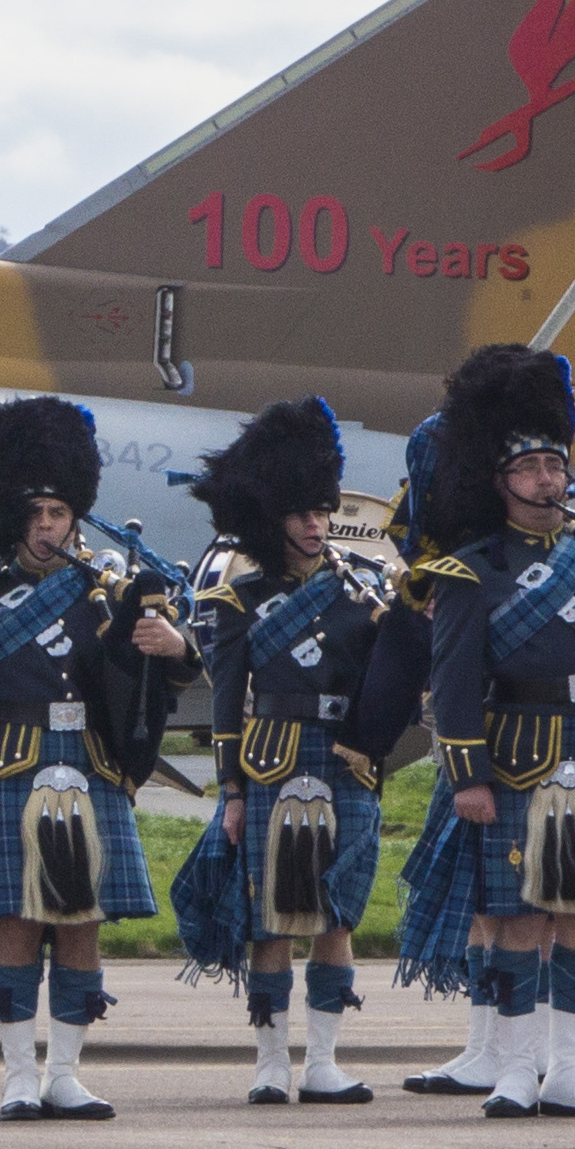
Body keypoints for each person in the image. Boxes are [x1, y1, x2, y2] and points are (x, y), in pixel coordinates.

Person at [389, 344, 575, 1121]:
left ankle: (570, 1073)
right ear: (498, 481)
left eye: (555, 466)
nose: (547, 481)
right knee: (519, 916)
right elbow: (453, 684)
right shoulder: (466, 570)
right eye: (528, 470)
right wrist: (467, 778)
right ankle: (514, 1071)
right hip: (516, 755)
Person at [0, 398, 184, 1121]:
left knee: (80, 921)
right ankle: (16, 1077)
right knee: (16, 920)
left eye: (59, 515)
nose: (46, 528)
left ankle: (64, 1074)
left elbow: (148, 680)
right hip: (8, 765)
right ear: (15, 520)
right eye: (35, 515)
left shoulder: (102, 595)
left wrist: (176, 647)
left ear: (75, 518)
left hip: (88, 763)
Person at [178, 397, 422, 1107]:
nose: (314, 524)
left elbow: (387, 684)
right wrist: (229, 792)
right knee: (270, 917)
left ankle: (322, 1061)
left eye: (320, 510)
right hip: (269, 760)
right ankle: (267, 1062)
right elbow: (226, 706)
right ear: (270, 515)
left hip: (343, 758)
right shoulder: (236, 599)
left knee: (336, 912)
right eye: (299, 512)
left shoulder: (360, 591)